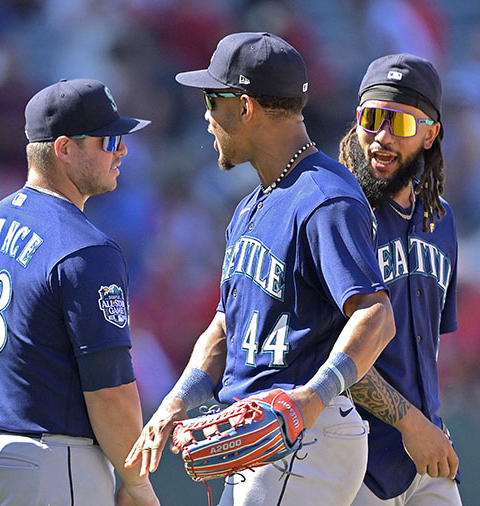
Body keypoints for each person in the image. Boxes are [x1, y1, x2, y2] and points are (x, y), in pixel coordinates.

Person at [124, 32, 396, 505]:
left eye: (213, 99)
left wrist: (310, 400)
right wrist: (179, 399)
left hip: (303, 434)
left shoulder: (325, 198)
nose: (207, 117)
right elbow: (225, 326)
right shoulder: (252, 206)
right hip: (266, 434)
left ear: (245, 107)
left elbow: (376, 314)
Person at [0, 78, 159, 506]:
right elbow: (111, 391)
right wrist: (136, 483)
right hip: (51, 467)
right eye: (109, 140)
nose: (122, 150)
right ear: (64, 148)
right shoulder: (85, 248)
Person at [339, 54, 461, 505]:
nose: (382, 138)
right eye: (372, 119)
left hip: (427, 458)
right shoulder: (338, 215)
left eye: (402, 125)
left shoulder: (440, 219)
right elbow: (333, 352)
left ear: (431, 134)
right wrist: (413, 424)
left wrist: (429, 425)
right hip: (353, 461)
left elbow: (428, 345)